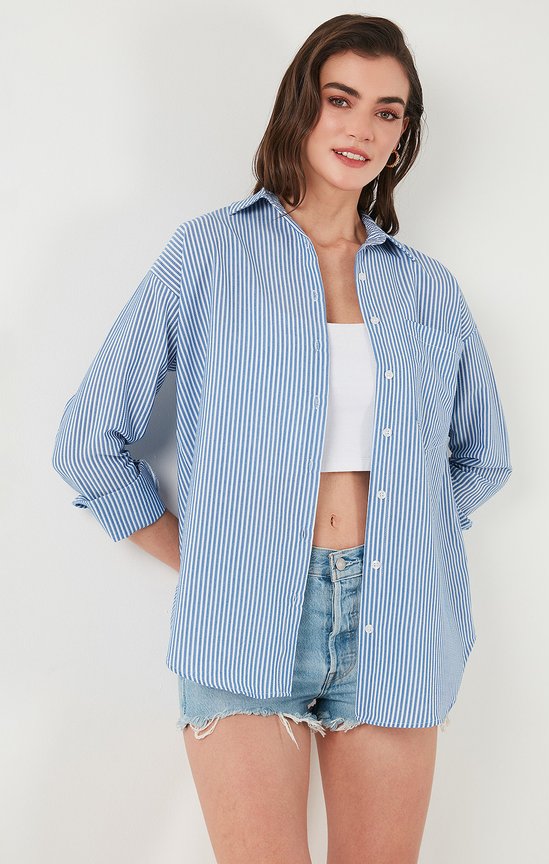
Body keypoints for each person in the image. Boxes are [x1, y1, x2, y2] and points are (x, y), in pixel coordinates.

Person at [51, 13, 512, 864]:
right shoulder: (210, 254)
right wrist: (210, 557)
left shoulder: (427, 289)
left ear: (403, 135)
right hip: (242, 614)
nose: (362, 127)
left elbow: (483, 455)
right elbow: (89, 441)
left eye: (387, 111)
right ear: (302, 104)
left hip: (399, 619)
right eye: (342, 99)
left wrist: (409, 534)